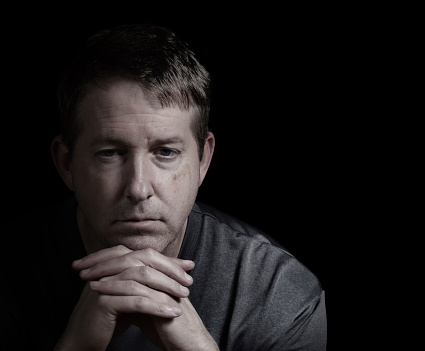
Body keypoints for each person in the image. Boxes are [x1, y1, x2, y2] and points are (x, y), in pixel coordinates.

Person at [2, 23, 327, 350]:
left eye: (166, 152)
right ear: (66, 163)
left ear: (203, 160)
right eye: (110, 153)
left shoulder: (276, 291)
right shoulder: (9, 274)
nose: (138, 188)